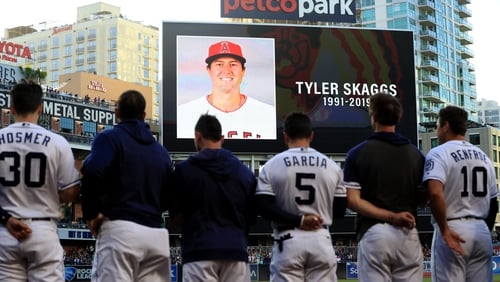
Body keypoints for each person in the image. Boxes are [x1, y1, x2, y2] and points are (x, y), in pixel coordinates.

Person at [81, 90, 173, 282]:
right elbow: (167, 198)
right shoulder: (162, 153)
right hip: (155, 234)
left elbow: (92, 171)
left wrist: (92, 213)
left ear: (117, 112)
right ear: (144, 115)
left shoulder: (109, 139)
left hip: (121, 229)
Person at [0, 82, 81, 281]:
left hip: (5, 230)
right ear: (40, 108)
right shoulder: (57, 142)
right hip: (42, 229)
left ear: (12, 109)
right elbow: (72, 192)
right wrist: (46, 194)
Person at [343, 93, 426, 282]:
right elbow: (425, 196)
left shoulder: (357, 153)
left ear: (373, 115)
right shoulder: (417, 155)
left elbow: (352, 200)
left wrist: (391, 216)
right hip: (408, 231)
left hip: (375, 231)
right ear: (399, 116)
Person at [255, 112, 347, 282]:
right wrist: (316, 218)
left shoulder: (271, 165)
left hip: (287, 239)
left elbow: (264, 207)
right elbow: (340, 210)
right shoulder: (332, 166)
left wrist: (299, 220)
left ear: (285, 136)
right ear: (311, 135)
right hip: (320, 237)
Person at [169, 113, 257, 282]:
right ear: (222, 138)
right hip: (235, 251)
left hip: (199, 252)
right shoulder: (244, 173)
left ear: (197, 136)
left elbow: (176, 217)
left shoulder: (184, 170)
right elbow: (251, 217)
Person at [423, 105, 499, 282]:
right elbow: (493, 202)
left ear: (446, 126)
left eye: (438, 126)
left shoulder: (438, 153)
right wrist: (483, 231)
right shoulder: (484, 157)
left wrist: (445, 230)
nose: (437, 131)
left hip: (453, 226)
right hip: (480, 230)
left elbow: (434, 193)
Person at [177, 40, 276, 139]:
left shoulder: (268, 113)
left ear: (243, 71)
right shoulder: (184, 113)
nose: (227, 70)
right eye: (219, 64)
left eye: (233, 64)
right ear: (208, 70)